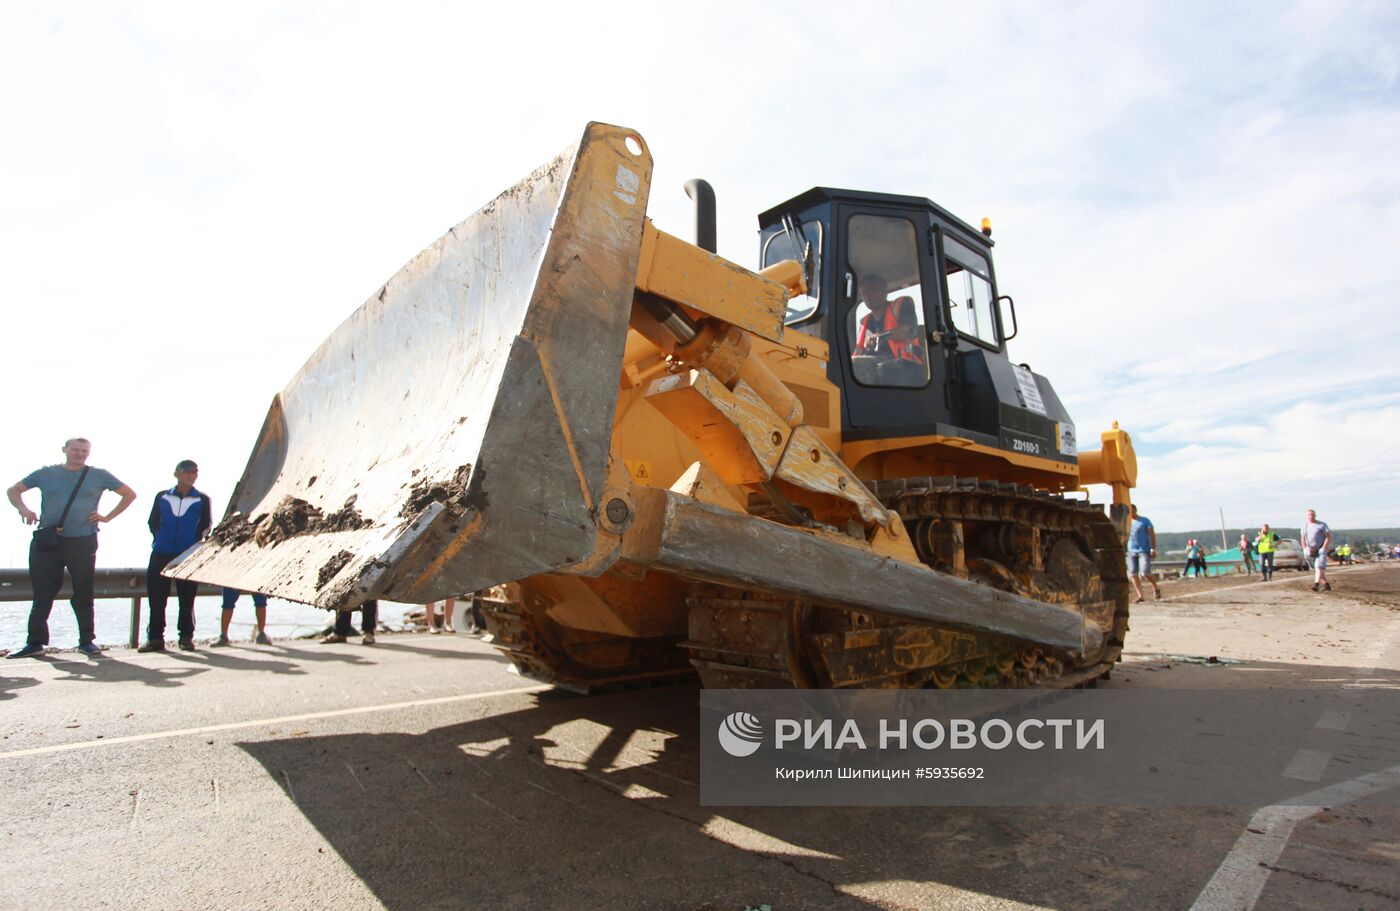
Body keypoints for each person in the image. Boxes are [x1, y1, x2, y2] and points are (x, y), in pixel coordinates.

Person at [7, 438, 136, 658]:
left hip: (83, 540)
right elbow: (13, 490)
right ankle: (35, 643)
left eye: (84, 451)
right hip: (48, 540)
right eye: (75, 449)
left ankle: (87, 641)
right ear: (64, 450)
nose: (79, 454)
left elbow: (129, 494)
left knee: (84, 591)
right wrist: (24, 510)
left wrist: (106, 517)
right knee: (43, 593)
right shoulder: (46, 473)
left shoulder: (99, 475)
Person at [139, 460, 212, 652]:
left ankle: (186, 638)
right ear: (176, 473)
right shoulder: (162, 496)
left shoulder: (202, 499)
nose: (191, 475)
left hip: (187, 555)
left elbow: (206, 525)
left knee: (187, 599)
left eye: (194, 472)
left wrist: (193, 544)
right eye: (186, 471)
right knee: (156, 598)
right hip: (161, 553)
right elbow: (152, 522)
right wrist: (160, 539)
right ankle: (155, 638)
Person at [854, 275, 926, 384]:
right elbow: (858, 352)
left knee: (856, 364)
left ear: (884, 292)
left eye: (873, 290)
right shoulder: (864, 322)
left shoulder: (901, 305)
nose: (867, 295)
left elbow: (909, 331)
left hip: (903, 365)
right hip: (876, 365)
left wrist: (879, 336)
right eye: (864, 292)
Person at [1125, 504, 1161, 603]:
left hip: (1143, 550)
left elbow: (1152, 534)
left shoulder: (1144, 521)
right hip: (1131, 550)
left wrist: (1152, 548)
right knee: (1133, 573)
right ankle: (1140, 595)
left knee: (1145, 572)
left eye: (1132, 511)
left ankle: (1155, 587)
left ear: (1135, 510)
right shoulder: (1126, 522)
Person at [1301, 509, 1332, 592]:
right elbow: (1303, 538)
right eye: (1309, 515)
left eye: (1312, 515)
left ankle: (1316, 584)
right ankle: (1326, 584)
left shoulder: (1322, 525)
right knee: (1316, 568)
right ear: (1306, 516)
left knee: (1319, 566)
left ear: (1315, 515)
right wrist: (1304, 548)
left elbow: (1328, 537)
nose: (1310, 516)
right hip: (1310, 549)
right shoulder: (1304, 526)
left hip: (1321, 549)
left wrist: (1324, 547)